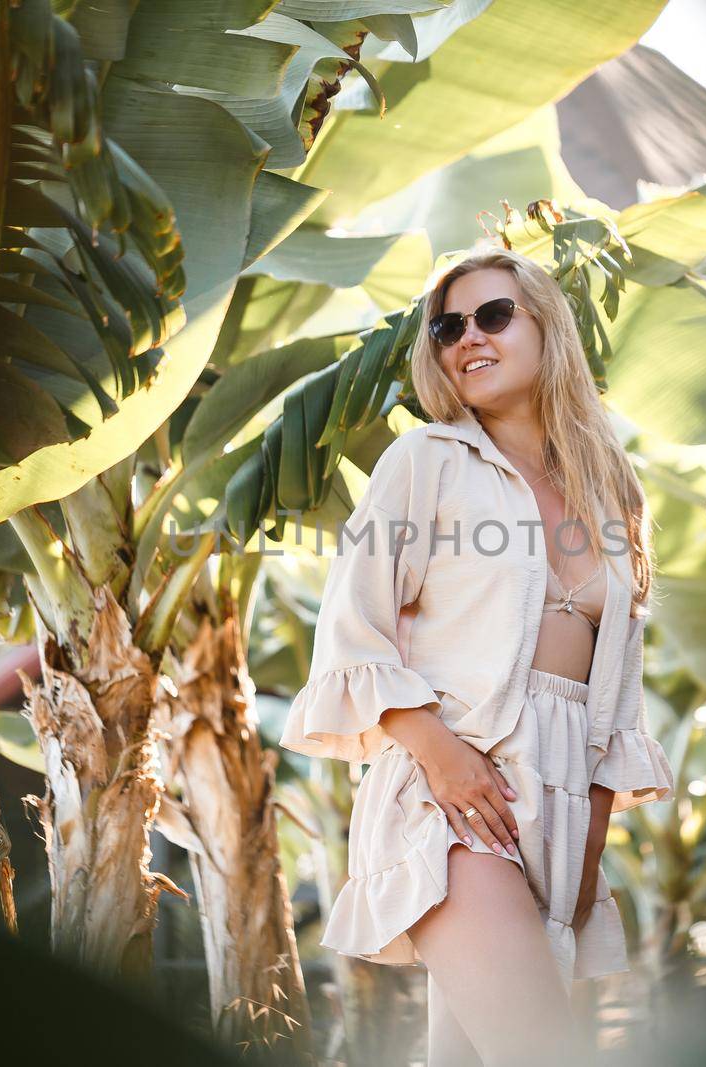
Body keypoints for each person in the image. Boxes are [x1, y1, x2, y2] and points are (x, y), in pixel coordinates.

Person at [280, 248, 674, 1065]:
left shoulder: (610, 490)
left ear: (545, 327)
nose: (468, 338)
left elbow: (618, 687)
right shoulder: (426, 460)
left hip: (563, 808)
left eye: (493, 315)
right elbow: (354, 629)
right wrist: (443, 757)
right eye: (447, 327)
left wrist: (590, 841)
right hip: (454, 796)